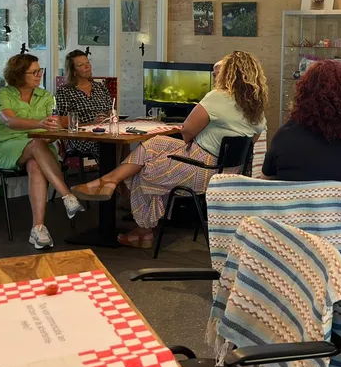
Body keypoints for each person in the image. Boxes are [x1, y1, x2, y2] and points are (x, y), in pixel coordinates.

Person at [72, 51, 268, 248]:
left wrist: (195, 141)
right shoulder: (256, 108)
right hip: (227, 173)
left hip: (202, 169)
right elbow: (249, 144)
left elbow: (187, 131)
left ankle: (142, 229)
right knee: (154, 144)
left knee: (146, 170)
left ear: (228, 73)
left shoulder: (217, 97)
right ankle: (110, 182)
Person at [0, 54, 84, 249]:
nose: (39, 75)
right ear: (18, 74)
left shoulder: (46, 97)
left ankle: (38, 229)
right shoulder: (3, 95)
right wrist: (40, 123)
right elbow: (10, 121)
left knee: (35, 162)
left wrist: (54, 131)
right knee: (35, 144)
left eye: (39, 71)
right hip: (9, 145)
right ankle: (67, 195)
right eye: (34, 72)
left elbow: (52, 129)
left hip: (41, 147)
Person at [262, 60, 341, 198]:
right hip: (339, 218)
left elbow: (267, 178)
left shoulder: (286, 136)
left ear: (304, 94)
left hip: (290, 218)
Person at [55, 50, 113, 159]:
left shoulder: (100, 87)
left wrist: (111, 119)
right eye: (81, 65)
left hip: (106, 131)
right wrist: (91, 123)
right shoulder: (65, 92)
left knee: (122, 143)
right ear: (73, 71)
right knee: (107, 144)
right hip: (81, 136)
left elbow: (111, 111)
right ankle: (113, 174)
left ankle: (118, 174)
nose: (87, 67)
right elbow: (63, 123)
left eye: (87, 63)